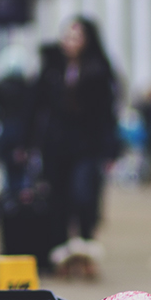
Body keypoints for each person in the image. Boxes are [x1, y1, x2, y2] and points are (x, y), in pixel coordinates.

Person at [35, 17, 119, 243]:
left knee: (83, 194)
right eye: (67, 37)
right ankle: (60, 244)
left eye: (76, 37)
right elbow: (36, 106)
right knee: (57, 198)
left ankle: (85, 239)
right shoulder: (51, 69)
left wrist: (111, 149)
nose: (70, 42)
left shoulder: (98, 71)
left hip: (87, 145)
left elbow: (107, 114)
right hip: (56, 144)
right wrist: (30, 142)